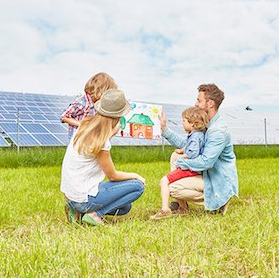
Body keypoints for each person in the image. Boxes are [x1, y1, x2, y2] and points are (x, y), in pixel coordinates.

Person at [60, 89, 145, 226]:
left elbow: (96, 144)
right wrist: (135, 175)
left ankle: (76, 211)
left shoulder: (84, 126)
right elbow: (113, 176)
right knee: (137, 187)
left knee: (125, 207)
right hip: (83, 199)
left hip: (72, 196)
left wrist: (112, 132)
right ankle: (94, 214)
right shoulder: (102, 143)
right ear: (118, 117)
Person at [158, 84, 238, 214]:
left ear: (210, 103)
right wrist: (165, 130)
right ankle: (182, 206)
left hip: (217, 179)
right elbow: (188, 144)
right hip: (208, 173)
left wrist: (181, 163)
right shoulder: (206, 125)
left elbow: (206, 162)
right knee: (175, 156)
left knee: (171, 187)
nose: (195, 104)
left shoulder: (217, 131)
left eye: (199, 100)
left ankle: (219, 199)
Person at [150, 107, 209, 219]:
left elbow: (193, 153)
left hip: (189, 169)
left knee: (164, 181)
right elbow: (188, 145)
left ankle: (165, 209)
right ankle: (183, 208)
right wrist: (181, 150)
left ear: (192, 123)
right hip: (192, 170)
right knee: (168, 179)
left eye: (184, 121)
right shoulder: (197, 134)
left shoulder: (195, 136)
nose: (182, 123)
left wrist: (182, 156)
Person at [61, 72, 118, 140]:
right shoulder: (81, 102)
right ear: (100, 91)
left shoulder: (99, 104)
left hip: (90, 139)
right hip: (78, 139)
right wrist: (82, 124)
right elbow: (64, 117)